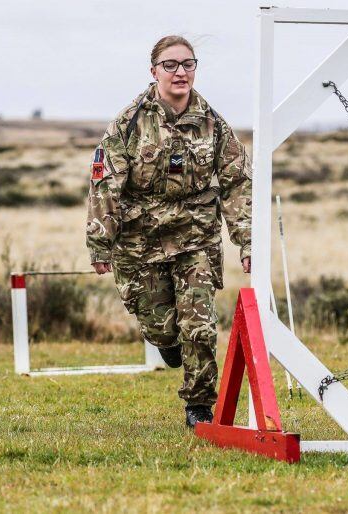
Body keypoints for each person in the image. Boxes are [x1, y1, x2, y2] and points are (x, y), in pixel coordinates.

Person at [85, 35, 252, 428]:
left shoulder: (213, 123)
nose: (181, 72)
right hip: (139, 241)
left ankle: (198, 407)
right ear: (154, 71)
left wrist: (247, 240)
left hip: (196, 235)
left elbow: (236, 183)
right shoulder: (127, 124)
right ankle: (168, 345)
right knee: (162, 329)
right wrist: (100, 243)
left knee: (199, 324)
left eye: (188, 64)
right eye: (171, 65)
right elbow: (105, 183)